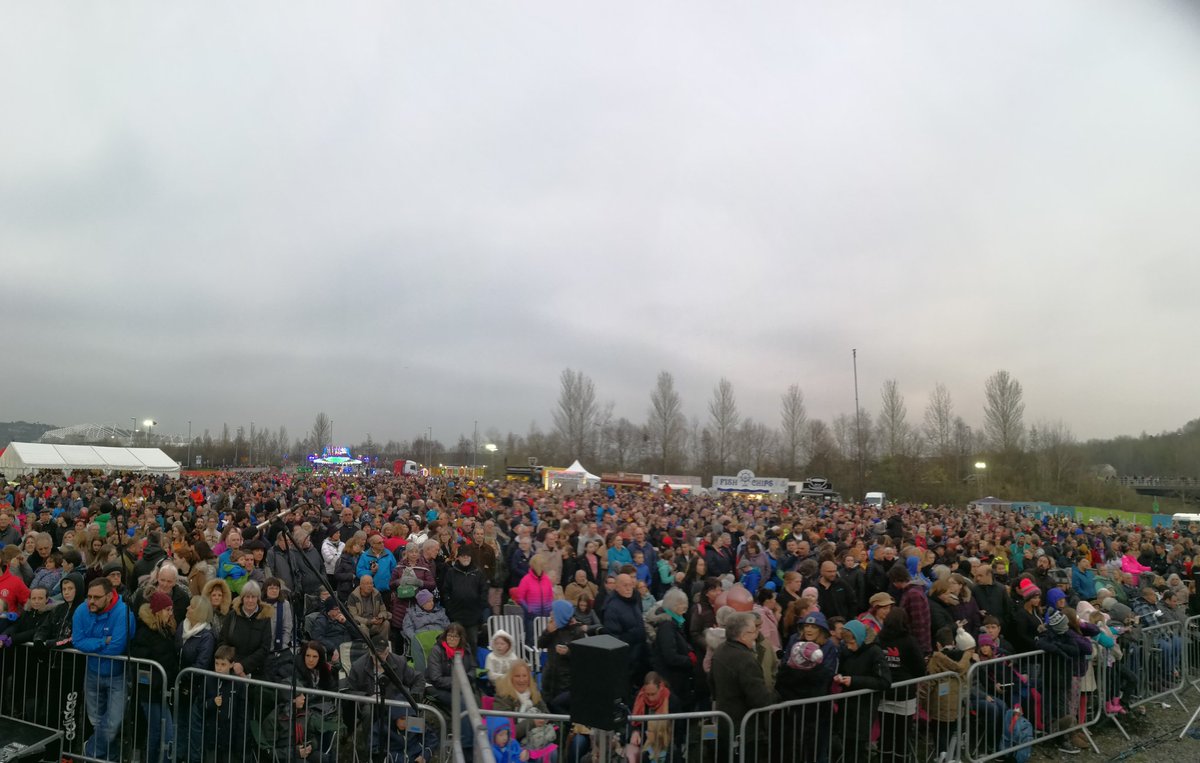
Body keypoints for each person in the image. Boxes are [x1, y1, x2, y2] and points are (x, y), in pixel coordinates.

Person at [73, 577, 133, 761]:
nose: (91, 601)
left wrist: (92, 644)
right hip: (92, 672)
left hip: (118, 675)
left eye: (96, 597)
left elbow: (116, 647)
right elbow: (77, 641)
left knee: (112, 724)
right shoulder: (82, 610)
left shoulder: (123, 612)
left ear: (109, 596)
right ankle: (109, 758)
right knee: (96, 721)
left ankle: (90, 751)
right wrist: (102, 641)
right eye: (89, 596)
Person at [709, 611, 776, 755]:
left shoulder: (720, 650)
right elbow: (760, 699)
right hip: (743, 729)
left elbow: (712, 686)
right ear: (743, 635)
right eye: (754, 631)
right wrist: (776, 695)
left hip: (725, 722)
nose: (757, 635)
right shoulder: (745, 659)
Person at [130, 590, 179, 763]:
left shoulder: (166, 629)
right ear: (157, 611)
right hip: (150, 693)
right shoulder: (145, 633)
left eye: (171, 609)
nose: (170, 613)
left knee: (166, 734)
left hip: (163, 692)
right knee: (158, 732)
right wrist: (159, 684)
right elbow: (142, 663)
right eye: (167, 610)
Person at [834, 619, 891, 763]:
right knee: (847, 749)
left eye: (852, 643)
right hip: (846, 707)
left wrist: (854, 680)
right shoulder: (846, 651)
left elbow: (884, 681)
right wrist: (839, 677)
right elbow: (842, 669)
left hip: (863, 710)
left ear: (859, 638)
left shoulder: (875, 652)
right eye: (846, 643)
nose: (849, 647)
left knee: (858, 751)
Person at [876, 608, 925, 763]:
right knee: (902, 736)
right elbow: (919, 668)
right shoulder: (909, 641)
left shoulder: (879, 638)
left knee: (886, 733)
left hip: (884, 691)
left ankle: (885, 759)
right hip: (904, 694)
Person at [492, 660, 558, 761]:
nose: (522, 680)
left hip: (537, 738)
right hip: (514, 744)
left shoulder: (534, 693)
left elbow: (546, 714)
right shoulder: (502, 697)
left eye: (524, 676)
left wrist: (543, 719)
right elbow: (507, 731)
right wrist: (532, 722)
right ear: (510, 678)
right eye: (517, 676)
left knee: (552, 752)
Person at [538, 600, 585, 713]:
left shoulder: (577, 632)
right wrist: (548, 632)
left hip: (565, 681)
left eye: (553, 611)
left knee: (560, 709)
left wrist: (568, 652)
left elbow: (582, 657)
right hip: (549, 678)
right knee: (548, 708)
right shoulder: (552, 627)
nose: (551, 614)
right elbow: (540, 644)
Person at [603, 572, 649, 688]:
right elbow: (613, 638)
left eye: (630, 585)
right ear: (617, 587)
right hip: (627, 661)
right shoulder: (612, 608)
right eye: (625, 585)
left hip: (640, 657)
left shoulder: (633, 601)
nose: (629, 588)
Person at [219, 580, 272, 678]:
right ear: (242, 598)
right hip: (232, 669)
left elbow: (265, 648)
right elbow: (223, 641)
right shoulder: (232, 616)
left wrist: (244, 666)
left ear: (258, 599)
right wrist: (235, 665)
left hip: (256, 672)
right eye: (247, 597)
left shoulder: (265, 618)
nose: (250, 600)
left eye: (253, 597)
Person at [441, 546, 487, 648]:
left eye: (468, 556)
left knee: (473, 642)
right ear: (458, 558)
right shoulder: (451, 572)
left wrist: (480, 607)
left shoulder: (478, 572)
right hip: (456, 615)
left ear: (471, 557)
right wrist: (449, 607)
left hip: (473, 616)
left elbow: (484, 590)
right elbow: (446, 591)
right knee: (456, 644)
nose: (465, 558)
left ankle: (473, 663)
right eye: (463, 556)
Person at [426, 623, 475, 706]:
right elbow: (435, 678)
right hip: (436, 687)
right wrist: (460, 681)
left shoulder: (465, 649)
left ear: (461, 638)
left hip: (460, 686)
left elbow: (473, 668)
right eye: (449, 635)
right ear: (445, 636)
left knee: (476, 700)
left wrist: (467, 678)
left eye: (455, 636)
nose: (451, 639)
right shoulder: (437, 650)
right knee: (463, 703)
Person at [347, 573, 391, 645]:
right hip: (362, 624)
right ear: (360, 585)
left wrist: (381, 617)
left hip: (374, 622)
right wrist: (369, 621)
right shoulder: (353, 596)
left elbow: (383, 610)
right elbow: (353, 616)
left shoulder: (377, 594)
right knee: (363, 628)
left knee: (386, 624)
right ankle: (367, 649)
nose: (370, 586)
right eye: (367, 584)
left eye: (371, 583)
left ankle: (382, 646)